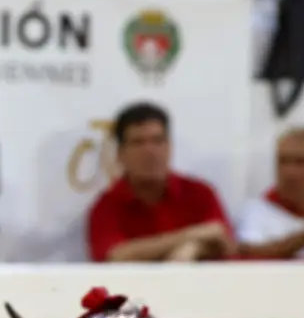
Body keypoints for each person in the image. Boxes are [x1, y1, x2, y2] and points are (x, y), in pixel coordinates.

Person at [87, 102, 237, 263]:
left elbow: (224, 243)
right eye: (138, 143)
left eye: (158, 141)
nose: (150, 151)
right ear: (120, 154)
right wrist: (188, 237)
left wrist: (191, 248)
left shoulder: (199, 193)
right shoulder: (107, 206)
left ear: (170, 147)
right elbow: (116, 256)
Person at [237, 127, 304, 259]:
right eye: (283, 161)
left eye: (300, 162)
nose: (289, 172)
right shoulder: (256, 211)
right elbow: (247, 255)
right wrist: (301, 239)